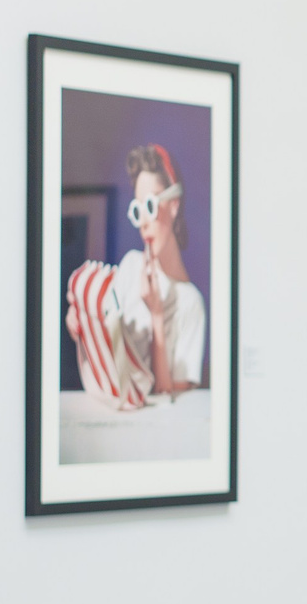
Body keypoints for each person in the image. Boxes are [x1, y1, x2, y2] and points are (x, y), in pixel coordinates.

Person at [66, 144, 207, 410]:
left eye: (151, 206)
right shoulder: (130, 265)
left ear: (174, 205)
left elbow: (164, 393)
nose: (143, 221)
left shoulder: (191, 303)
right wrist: (81, 326)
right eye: (137, 209)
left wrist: (156, 313)